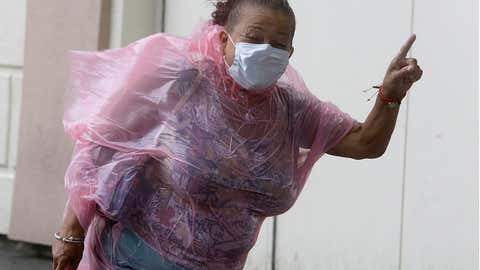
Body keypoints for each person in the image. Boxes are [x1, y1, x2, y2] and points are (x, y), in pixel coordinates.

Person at [52, 0, 423, 269]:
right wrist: (70, 233)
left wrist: (390, 95)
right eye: (254, 37)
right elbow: (103, 146)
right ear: (225, 39)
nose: (266, 50)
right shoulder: (181, 80)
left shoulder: (291, 109)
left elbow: (365, 143)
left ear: (291, 51)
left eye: (279, 45)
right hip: (131, 257)